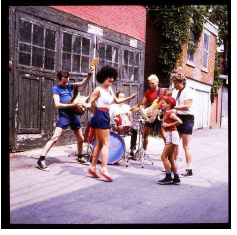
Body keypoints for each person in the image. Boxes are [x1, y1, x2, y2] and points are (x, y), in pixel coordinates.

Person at [86, 66, 136, 182]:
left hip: (105, 115)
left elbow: (117, 101)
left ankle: (93, 167)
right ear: (104, 76)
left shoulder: (110, 89)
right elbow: (90, 103)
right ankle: (103, 168)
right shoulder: (98, 90)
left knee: (99, 143)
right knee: (106, 144)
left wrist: (130, 97)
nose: (112, 80)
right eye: (110, 77)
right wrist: (85, 106)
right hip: (100, 115)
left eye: (113, 78)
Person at [37, 69, 93, 171]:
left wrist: (89, 76)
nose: (66, 84)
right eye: (63, 82)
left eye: (67, 82)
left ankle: (80, 157)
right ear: (58, 80)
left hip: (73, 115)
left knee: (80, 138)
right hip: (64, 115)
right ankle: (41, 159)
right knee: (55, 137)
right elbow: (57, 105)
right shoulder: (55, 89)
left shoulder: (68, 85)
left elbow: (81, 83)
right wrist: (73, 104)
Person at [172, 72, 195, 177]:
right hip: (179, 117)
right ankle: (174, 164)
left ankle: (189, 169)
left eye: (175, 83)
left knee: (186, 145)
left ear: (181, 82)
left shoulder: (188, 91)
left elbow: (186, 107)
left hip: (187, 119)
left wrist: (172, 107)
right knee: (175, 142)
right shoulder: (179, 91)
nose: (174, 85)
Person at [157, 97, 183, 185]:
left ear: (169, 105)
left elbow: (179, 121)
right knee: (171, 158)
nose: (162, 104)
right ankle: (176, 177)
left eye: (164, 103)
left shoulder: (170, 113)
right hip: (172, 135)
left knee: (163, 157)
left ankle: (168, 177)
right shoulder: (168, 113)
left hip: (172, 135)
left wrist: (167, 125)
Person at [139, 74, 166, 157]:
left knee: (163, 133)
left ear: (157, 82)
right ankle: (144, 151)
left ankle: (167, 153)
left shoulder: (164, 91)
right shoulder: (147, 92)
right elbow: (143, 104)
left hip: (160, 112)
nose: (151, 85)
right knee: (145, 133)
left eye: (153, 83)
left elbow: (169, 102)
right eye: (150, 83)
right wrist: (143, 110)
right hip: (151, 113)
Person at [110, 90, 138, 156]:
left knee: (134, 131)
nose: (123, 98)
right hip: (115, 127)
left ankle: (132, 150)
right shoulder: (112, 106)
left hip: (126, 126)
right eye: (121, 97)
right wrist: (113, 121)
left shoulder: (127, 107)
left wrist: (130, 122)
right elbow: (109, 117)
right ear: (117, 98)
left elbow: (129, 118)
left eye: (123, 97)